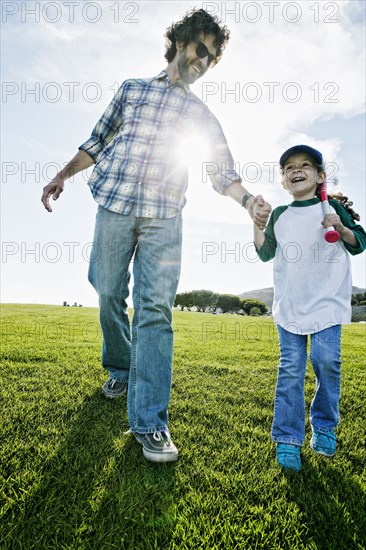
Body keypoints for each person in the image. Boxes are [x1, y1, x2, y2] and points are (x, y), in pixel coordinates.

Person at [41, 9, 271, 463]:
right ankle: (120, 366)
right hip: (115, 205)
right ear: (180, 42)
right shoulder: (131, 90)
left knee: (154, 311)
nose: (203, 61)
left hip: (165, 217)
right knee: (106, 290)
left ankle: (150, 422)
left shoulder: (200, 112)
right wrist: (62, 175)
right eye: (199, 49)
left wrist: (249, 203)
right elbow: (96, 141)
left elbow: (221, 172)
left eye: (212, 57)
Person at [254, 144, 366, 472]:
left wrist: (341, 226)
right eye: (289, 167)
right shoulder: (280, 215)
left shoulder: (331, 208)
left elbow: (359, 244)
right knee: (290, 369)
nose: (296, 170)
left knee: (326, 360)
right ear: (284, 180)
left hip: (327, 302)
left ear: (319, 177)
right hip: (290, 303)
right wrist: (257, 223)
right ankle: (288, 438)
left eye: (305, 165)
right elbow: (265, 253)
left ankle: (324, 426)